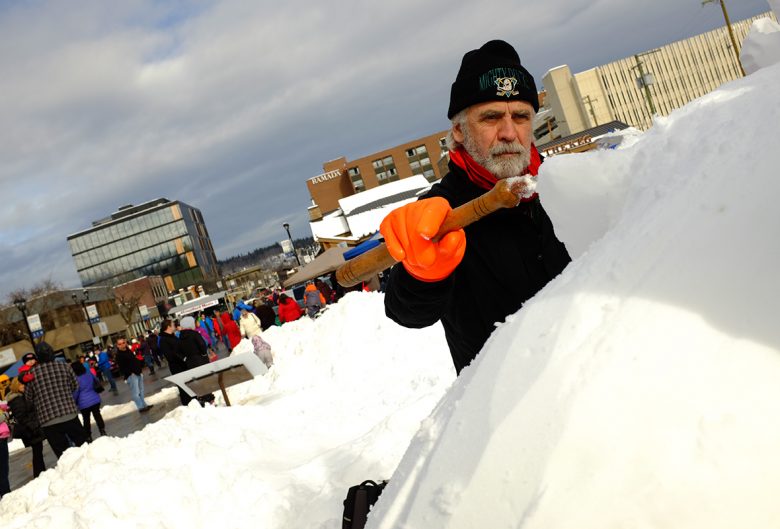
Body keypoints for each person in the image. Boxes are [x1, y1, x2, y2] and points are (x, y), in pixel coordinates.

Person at [383, 40, 571, 375]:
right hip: (506, 405)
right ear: (458, 130)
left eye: (521, 116)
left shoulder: (567, 186)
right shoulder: (440, 211)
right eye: (491, 117)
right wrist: (422, 274)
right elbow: (407, 311)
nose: (509, 132)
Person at [23, 342, 88, 458]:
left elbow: (28, 398)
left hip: (48, 420)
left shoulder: (31, 374)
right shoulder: (65, 367)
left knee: (63, 456)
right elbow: (75, 386)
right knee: (84, 447)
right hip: (69, 413)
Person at [5, 376, 46, 478]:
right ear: (16, 386)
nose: (24, 386)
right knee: (37, 452)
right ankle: (39, 474)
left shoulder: (21, 396)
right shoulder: (16, 399)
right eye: (21, 384)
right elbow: (21, 417)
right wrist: (34, 427)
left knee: (38, 452)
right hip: (30, 430)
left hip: (32, 428)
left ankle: (41, 473)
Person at [178, 316, 215, 406]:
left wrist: (185, 358)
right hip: (200, 359)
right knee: (204, 378)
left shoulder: (180, 337)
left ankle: (201, 397)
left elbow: (178, 351)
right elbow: (202, 344)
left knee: (197, 380)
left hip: (190, 362)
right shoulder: (194, 334)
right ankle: (209, 399)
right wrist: (203, 354)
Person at [159, 319, 192, 406]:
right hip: (177, 366)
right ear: (168, 327)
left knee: (189, 384)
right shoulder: (163, 339)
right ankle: (187, 403)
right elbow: (170, 356)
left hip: (184, 364)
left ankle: (192, 401)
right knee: (182, 387)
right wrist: (182, 358)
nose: (175, 326)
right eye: (173, 324)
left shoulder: (173, 336)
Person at [71, 361, 107, 442]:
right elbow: (96, 380)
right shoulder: (89, 374)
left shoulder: (75, 380)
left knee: (86, 419)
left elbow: (76, 392)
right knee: (97, 415)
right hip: (95, 399)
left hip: (83, 403)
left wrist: (74, 400)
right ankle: (102, 430)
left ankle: (88, 436)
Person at [115, 337, 153, 413]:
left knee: (141, 391)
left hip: (138, 373)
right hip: (131, 375)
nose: (122, 345)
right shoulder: (119, 355)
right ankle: (140, 407)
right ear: (117, 345)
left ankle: (144, 405)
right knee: (135, 393)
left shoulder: (128, 351)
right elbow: (122, 368)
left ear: (125, 343)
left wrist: (139, 369)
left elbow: (135, 360)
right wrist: (130, 373)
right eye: (120, 344)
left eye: (123, 343)